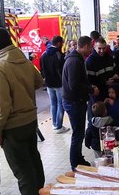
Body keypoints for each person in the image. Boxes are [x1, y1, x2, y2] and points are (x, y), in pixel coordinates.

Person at [0, 27, 45, 195]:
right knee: (34, 163)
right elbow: (39, 81)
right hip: (30, 121)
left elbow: (1, 106)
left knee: (23, 173)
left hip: (12, 127)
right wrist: (23, 89)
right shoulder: (24, 60)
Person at [62, 36, 99, 170]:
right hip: (74, 102)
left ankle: (78, 157)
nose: (91, 50)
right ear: (84, 46)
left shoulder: (77, 59)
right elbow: (74, 85)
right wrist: (91, 90)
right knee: (77, 134)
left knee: (79, 133)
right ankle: (75, 163)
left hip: (77, 101)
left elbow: (80, 81)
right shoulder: (74, 61)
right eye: (90, 47)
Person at [40, 35, 70, 134]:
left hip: (48, 84)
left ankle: (54, 124)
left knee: (53, 104)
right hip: (59, 84)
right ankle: (59, 126)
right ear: (58, 43)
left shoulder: (44, 54)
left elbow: (42, 70)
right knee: (60, 104)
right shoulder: (59, 55)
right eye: (62, 43)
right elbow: (62, 71)